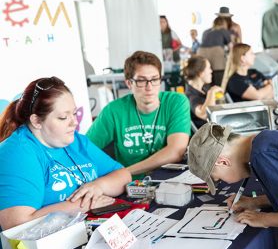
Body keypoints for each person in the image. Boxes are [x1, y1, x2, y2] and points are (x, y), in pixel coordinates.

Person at [0, 77, 131, 230]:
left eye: (74, 114)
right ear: (36, 121)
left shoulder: (75, 140)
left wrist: (98, 186)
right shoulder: (17, 154)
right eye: (63, 117)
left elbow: (123, 175)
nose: (74, 122)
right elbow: (17, 224)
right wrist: (84, 203)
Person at [86, 51, 191, 179]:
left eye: (154, 79)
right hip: (130, 186)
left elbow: (176, 151)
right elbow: (84, 151)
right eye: (141, 81)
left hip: (171, 182)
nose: (149, 87)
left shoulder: (176, 102)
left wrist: (124, 172)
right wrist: (108, 172)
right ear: (129, 83)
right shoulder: (114, 110)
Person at [183, 55, 224, 128]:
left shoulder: (203, 89)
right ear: (200, 73)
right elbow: (204, 114)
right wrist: (211, 92)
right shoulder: (190, 95)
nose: (211, 71)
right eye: (209, 68)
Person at [197, 16, 232, 86]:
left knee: (205, 73)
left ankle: (206, 94)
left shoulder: (206, 31)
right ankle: (219, 94)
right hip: (216, 52)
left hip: (201, 51)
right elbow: (231, 47)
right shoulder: (224, 30)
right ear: (224, 24)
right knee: (219, 75)